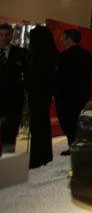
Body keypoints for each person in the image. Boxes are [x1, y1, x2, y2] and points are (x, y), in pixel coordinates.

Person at [55, 29, 92, 155]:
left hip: (67, 94)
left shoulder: (64, 56)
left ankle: (73, 145)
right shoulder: (87, 55)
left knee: (68, 121)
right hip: (82, 93)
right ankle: (80, 144)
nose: (61, 40)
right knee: (79, 120)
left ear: (69, 38)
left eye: (63, 37)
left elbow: (60, 77)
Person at [25, 26, 58, 168]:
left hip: (37, 93)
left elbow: (38, 76)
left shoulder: (38, 55)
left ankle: (37, 157)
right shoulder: (51, 54)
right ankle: (44, 156)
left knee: (37, 126)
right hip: (44, 94)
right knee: (42, 125)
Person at [0, 23, 28, 155]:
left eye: (7, 34)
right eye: (1, 34)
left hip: (13, 101)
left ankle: (8, 159)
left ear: (12, 35)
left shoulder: (21, 53)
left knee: (10, 134)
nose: (4, 37)